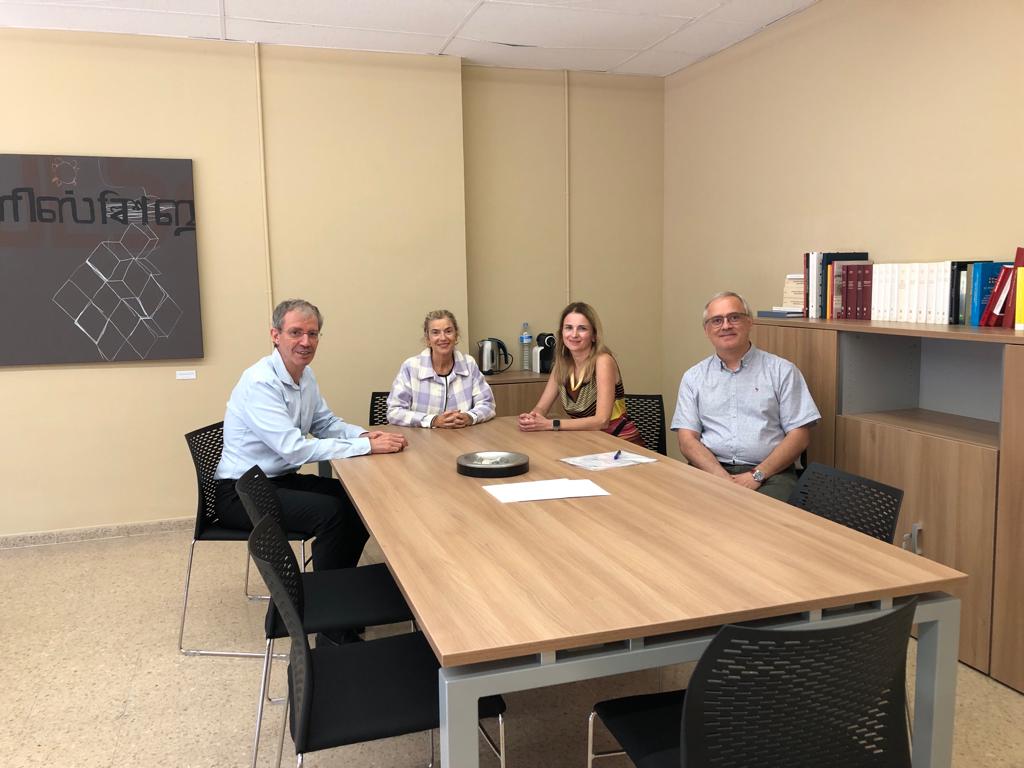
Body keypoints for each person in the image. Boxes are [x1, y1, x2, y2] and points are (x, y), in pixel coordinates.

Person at [214, 298, 408, 575]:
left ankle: (338, 580)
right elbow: (294, 450)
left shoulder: (305, 376)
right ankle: (329, 593)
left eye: (313, 334)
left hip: (279, 479)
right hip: (241, 493)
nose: (305, 342)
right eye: (296, 332)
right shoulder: (260, 382)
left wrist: (364, 435)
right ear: (275, 335)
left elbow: (324, 422)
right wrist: (365, 446)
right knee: (333, 513)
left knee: (360, 499)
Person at [671, 291, 820, 501]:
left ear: (749, 322)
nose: (726, 326)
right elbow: (687, 440)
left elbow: (799, 436)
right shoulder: (693, 377)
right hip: (709, 469)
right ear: (707, 330)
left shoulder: (782, 371)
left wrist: (756, 475)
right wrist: (720, 477)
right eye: (717, 320)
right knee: (678, 509)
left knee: (760, 516)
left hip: (771, 474)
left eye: (734, 317)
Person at [518, 301, 644, 446]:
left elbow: (602, 421)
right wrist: (533, 418)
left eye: (582, 328)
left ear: (594, 335)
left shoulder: (603, 361)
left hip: (620, 443)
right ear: (561, 333)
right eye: (568, 328)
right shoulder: (561, 365)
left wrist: (550, 424)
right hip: (588, 441)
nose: (574, 334)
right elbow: (542, 407)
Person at [387, 309, 496, 428]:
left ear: (456, 335)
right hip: (423, 437)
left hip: (463, 436)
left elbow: (487, 405)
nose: (443, 338)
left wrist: (469, 417)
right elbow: (394, 412)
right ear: (428, 339)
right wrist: (433, 420)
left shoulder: (469, 364)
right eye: (435, 333)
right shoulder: (411, 367)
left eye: (448, 331)